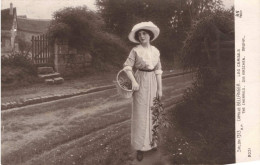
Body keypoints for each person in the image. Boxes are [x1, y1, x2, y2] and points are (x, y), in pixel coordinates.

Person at [123, 21, 163, 161]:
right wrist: (134, 81)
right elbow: (127, 67)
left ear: (150, 35)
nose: (141, 36)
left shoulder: (156, 51)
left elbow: (158, 70)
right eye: (139, 35)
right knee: (140, 114)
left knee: (153, 112)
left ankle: (152, 143)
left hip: (152, 80)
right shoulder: (135, 50)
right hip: (140, 81)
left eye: (144, 33)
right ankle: (140, 147)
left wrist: (160, 89)